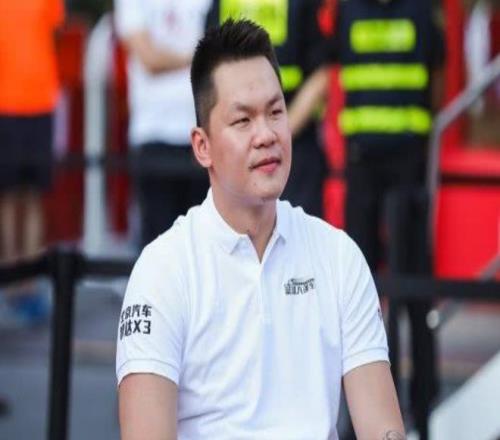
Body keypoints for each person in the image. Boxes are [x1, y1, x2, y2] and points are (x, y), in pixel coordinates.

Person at [116, 19, 405, 440]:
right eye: (243, 121)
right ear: (202, 146)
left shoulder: (338, 256)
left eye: (275, 112)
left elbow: (383, 428)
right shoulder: (163, 270)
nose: (266, 135)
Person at [290, 0, 445, 434]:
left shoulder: (418, 10)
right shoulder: (350, 10)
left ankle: (423, 404)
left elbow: (436, 80)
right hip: (363, 167)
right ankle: (359, 417)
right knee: (357, 290)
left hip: (407, 167)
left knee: (414, 289)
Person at [205, 0, 328, 218]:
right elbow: (208, 75)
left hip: (295, 150)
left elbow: (320, 74)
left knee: (296, 231)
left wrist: (278, 131)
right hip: (237, 149)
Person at [114, 0, 212, 247]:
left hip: (204, 132)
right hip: (153, 132)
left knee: (206, 242)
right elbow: (148, 58)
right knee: (158, 242)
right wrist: (201, 58)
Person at [0, 0, 64, 325]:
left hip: (40, 100)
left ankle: (31, 282)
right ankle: (10, 281)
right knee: (8, 198)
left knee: (34, 195)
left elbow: (56, 27)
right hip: (4, 103)